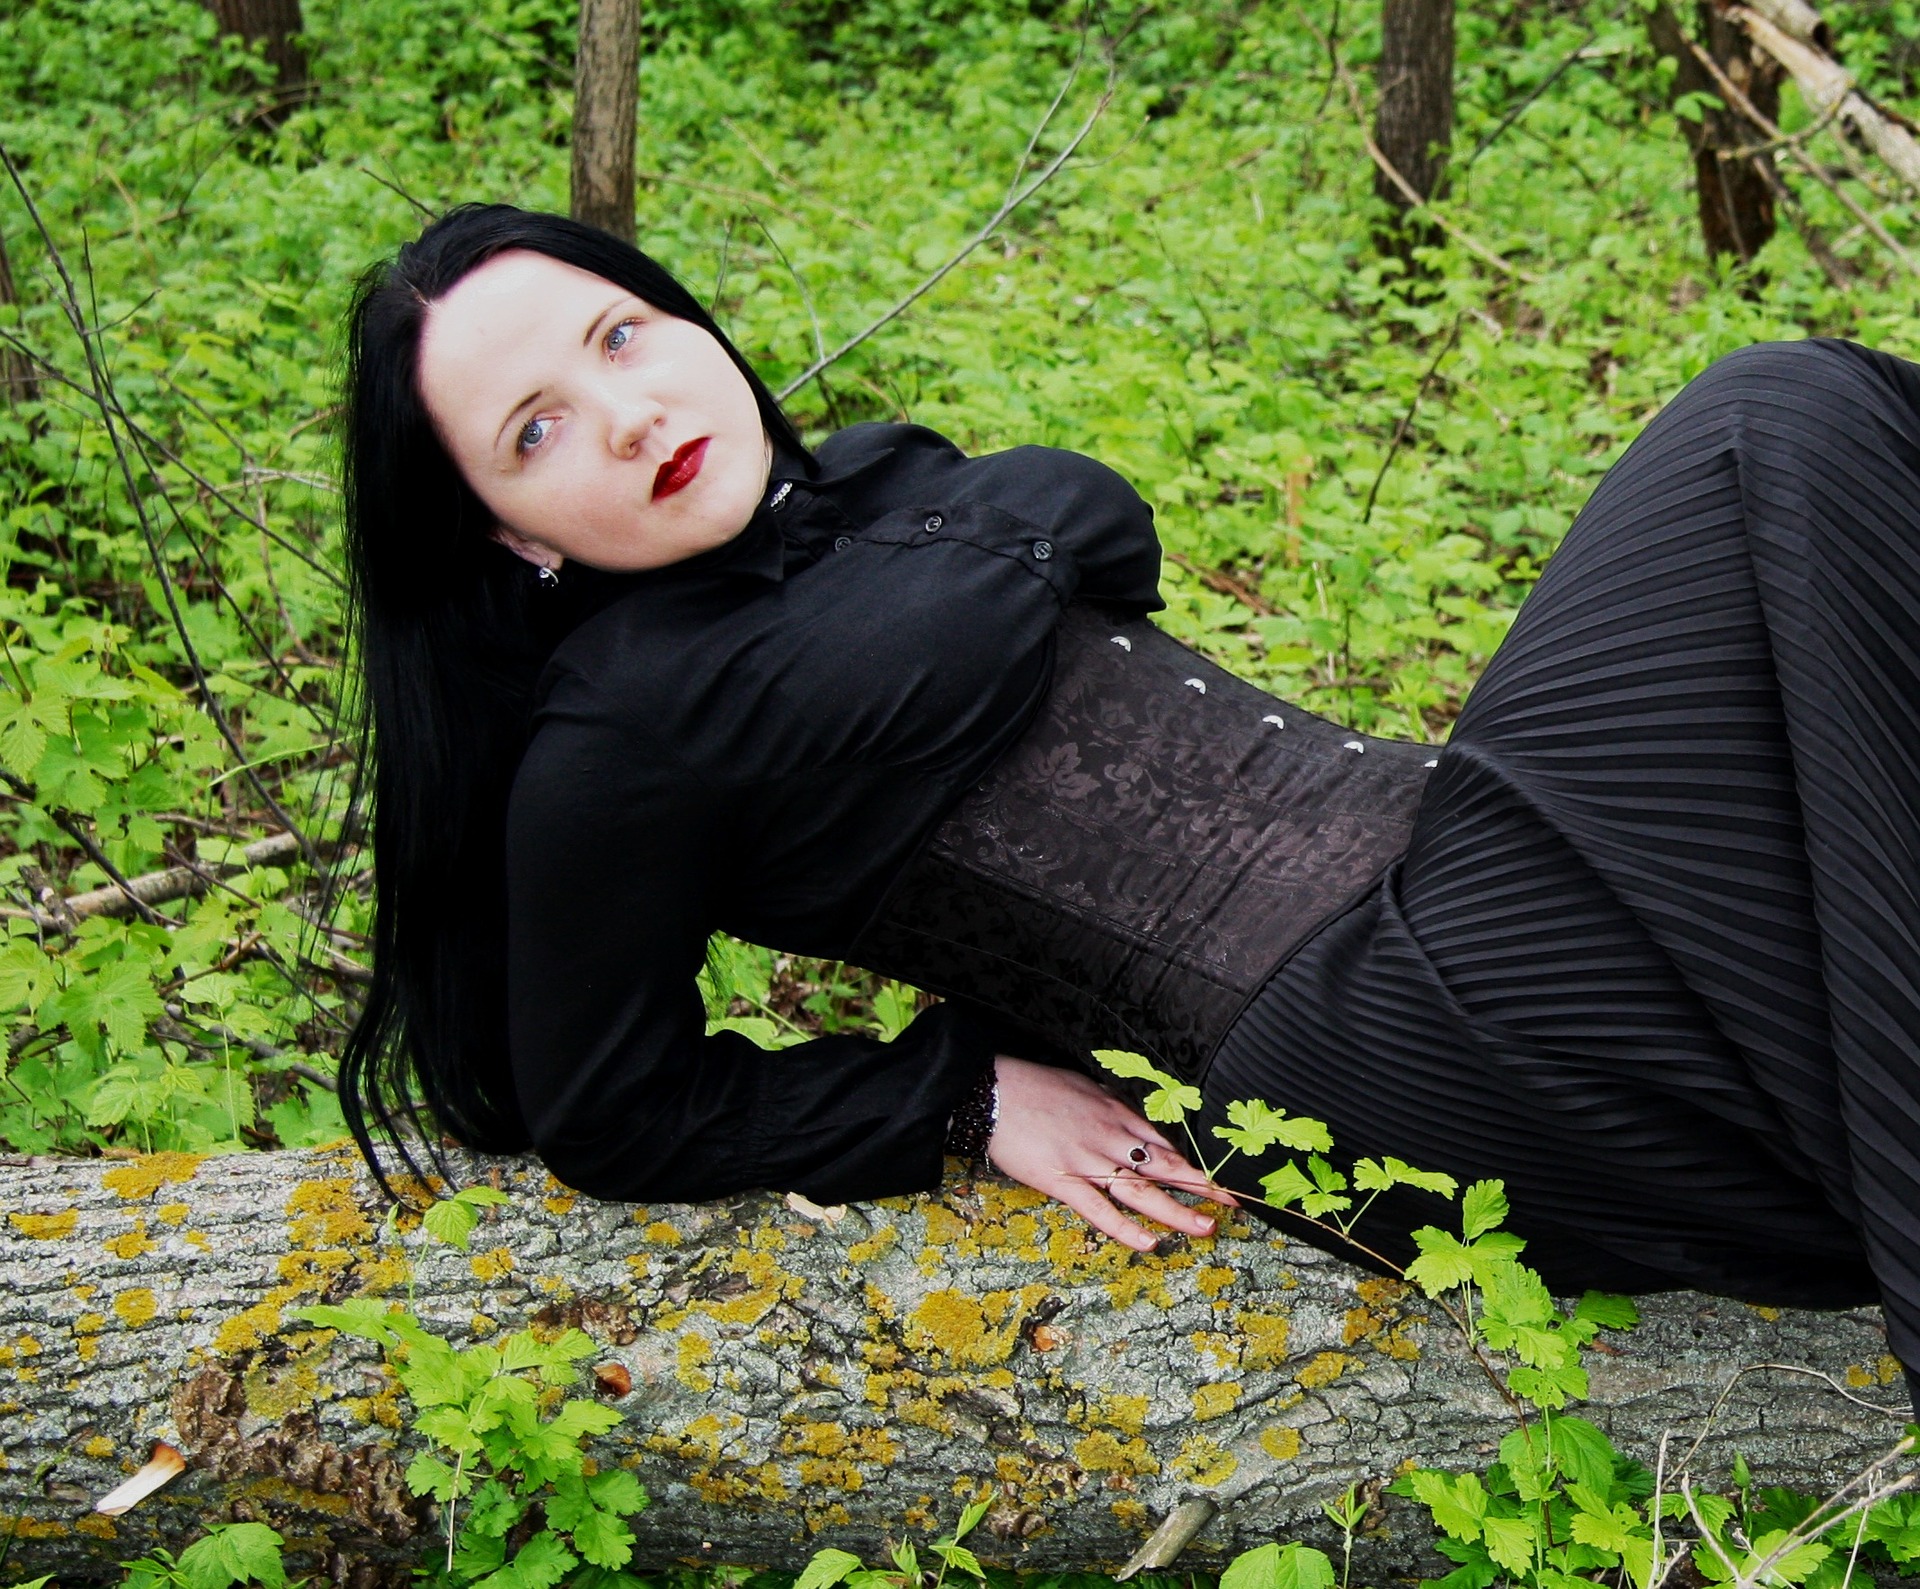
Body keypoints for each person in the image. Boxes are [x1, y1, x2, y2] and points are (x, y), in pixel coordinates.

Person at [337, 202, 1920, 1389]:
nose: (623, 415)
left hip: (1475, 868)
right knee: (1767, 424)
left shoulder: (878, 487)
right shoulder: (614, 727)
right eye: (533, 431)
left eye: (620, 336)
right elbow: (601, 1102)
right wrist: (960, 1093)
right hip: (1386, 1027)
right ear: (507, 538)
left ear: (682, 320)